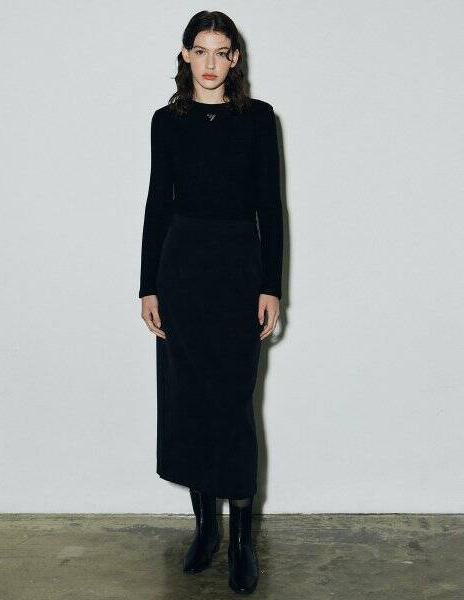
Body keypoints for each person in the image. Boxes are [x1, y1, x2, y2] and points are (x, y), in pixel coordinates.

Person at [138, 10, 283, 595]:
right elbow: (157, 202)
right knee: (190, 400)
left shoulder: (258, 119)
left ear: (235, 59)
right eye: (200, 50)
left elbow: (270, 206)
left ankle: (243, 540)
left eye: (221, 52)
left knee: (233, 404)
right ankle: (206, 530)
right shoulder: (166, 121)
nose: (210, 63)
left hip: (238, 270)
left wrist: (271, 285)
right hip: (182, 270)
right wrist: (147, 285)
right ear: (184, 54)